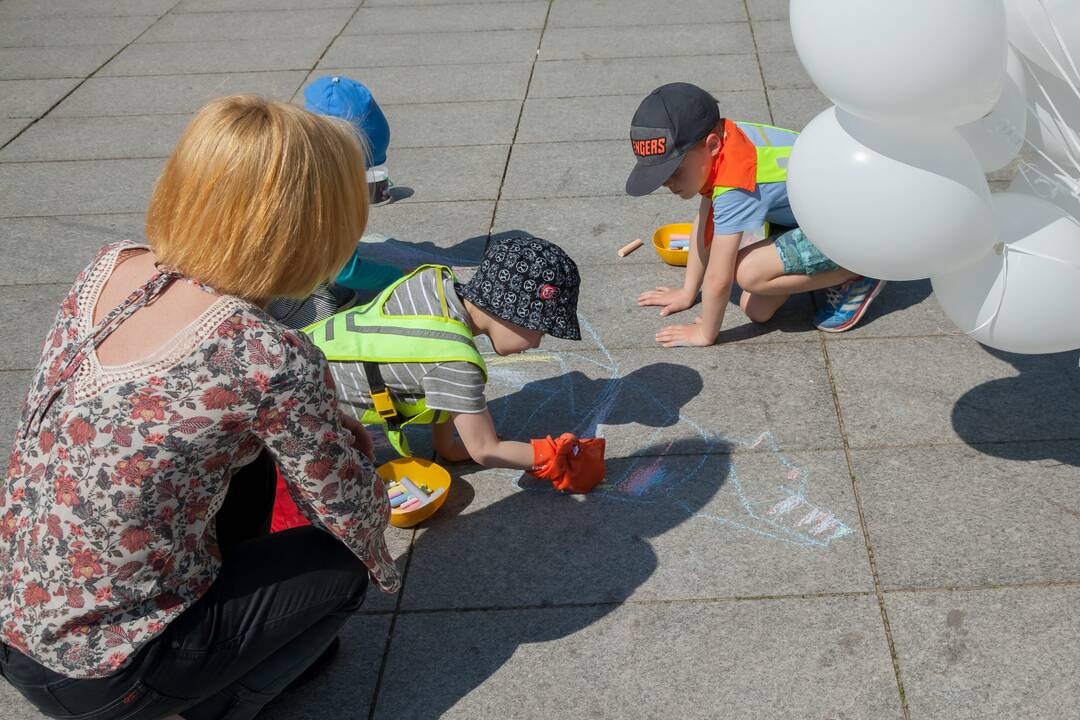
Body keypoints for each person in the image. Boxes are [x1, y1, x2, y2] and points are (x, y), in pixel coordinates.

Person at [0, 95, 398, 720]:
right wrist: (354, 446)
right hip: (106, 675)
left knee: (251, 456)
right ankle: (216, 704)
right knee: (341, 569)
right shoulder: (264, 356)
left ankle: (221, 636)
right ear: (311, 226)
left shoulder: (111, 267)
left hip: (20, 619)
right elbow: (356, 514)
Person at [307, 233, 606, 493]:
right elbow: (486, 449)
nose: (537, 343)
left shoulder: (434, 285)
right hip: (308, 404)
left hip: (301, 352)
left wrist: (448, 447)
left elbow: (433, 380)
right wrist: (554, 457)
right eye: (540, 328)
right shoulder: (456, 362)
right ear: (512, 313)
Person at [625, 82, 886, 347]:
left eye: (674, 170)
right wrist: (687, 292)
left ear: (712, 145)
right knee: (756, 311)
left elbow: (719, 277)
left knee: (749, 273)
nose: (667, 183)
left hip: (851, 224)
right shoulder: (723, 145)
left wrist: (705, 332)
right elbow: (705, 226)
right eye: (660, 175)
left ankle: (857, 271)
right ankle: (828, 265)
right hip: (816, 214)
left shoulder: (736, 179)